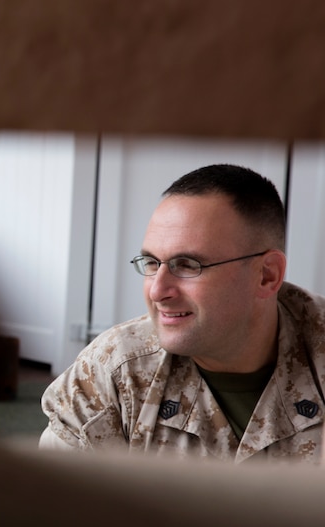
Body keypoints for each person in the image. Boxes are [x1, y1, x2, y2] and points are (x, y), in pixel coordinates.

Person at [39, 163, 325, 462]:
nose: (157, 291)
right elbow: (54, 502)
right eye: (151, 263)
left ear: (266, 275)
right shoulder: (112, 372)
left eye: (188, 265)